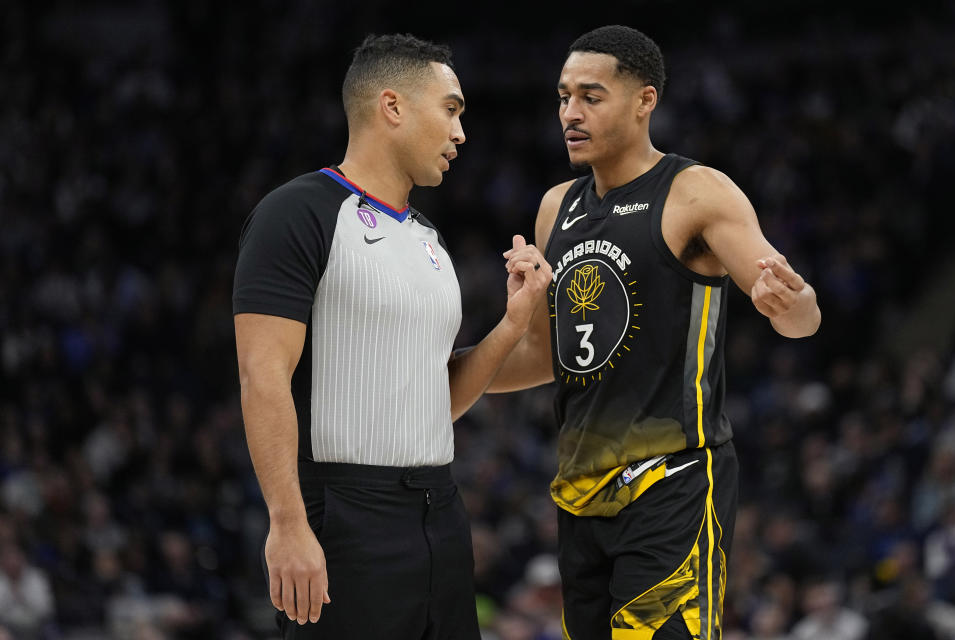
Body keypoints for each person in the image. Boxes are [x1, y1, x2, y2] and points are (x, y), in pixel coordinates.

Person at [490, 25, 821, 639]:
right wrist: (439, 374)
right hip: (578, 496)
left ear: (645, 100)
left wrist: (792, 303)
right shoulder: (554, 206)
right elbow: (543, 355)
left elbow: (802, 318)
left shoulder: (695, 192)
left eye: (591, 96)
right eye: (563, 97)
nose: (570, 113)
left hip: (672, 485)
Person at [232, 33, 551, 639]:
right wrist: (288, 522)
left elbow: (441, 399)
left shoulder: (429, 238)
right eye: (451, 109)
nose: (461, 133)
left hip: (440, 509)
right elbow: (261, 373)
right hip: (345, 512)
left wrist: (514, 323)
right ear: (392, 106)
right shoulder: (296, 212)